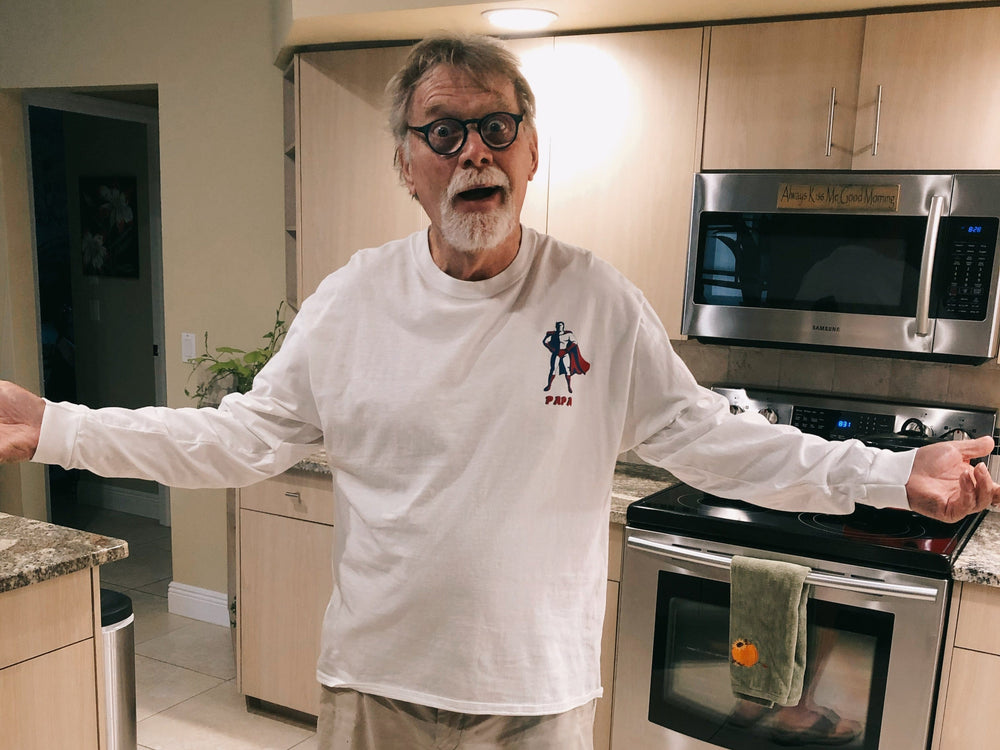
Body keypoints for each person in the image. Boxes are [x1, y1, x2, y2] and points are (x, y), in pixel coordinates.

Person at [0, 33, 997, 750]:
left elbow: (717, 442)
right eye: (442, 132)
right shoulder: (351, 301)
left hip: (536, 702)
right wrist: (55, 427)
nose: (472, 150)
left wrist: (890, 473)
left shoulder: (596, 300)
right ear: (406, 165)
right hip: (376, 689)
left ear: (529, 153)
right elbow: (237, 440)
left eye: (495, 126)